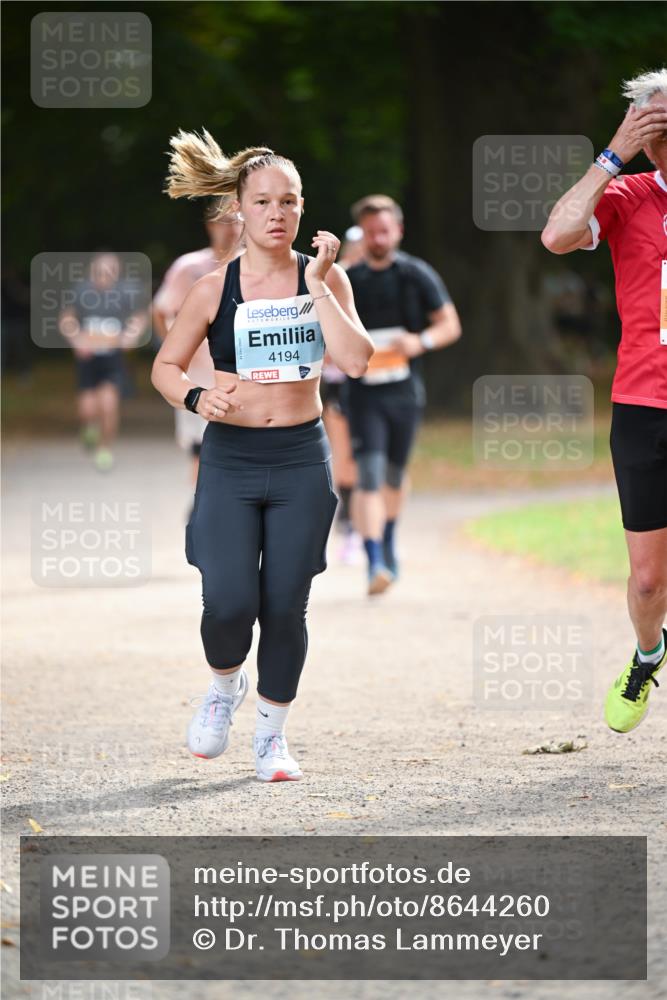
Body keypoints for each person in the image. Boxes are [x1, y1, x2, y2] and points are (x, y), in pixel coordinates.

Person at [151, 130, 373, 781]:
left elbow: (356, 362)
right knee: (226, 603)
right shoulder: (212, 288)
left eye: (290, 202)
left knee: (284, 605)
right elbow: (164, 366)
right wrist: (195, 397)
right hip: (230, 460)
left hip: (302, 458)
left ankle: (272, 739)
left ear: (302, 209)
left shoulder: (324, 280)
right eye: (264, 202)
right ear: (238, 211)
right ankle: (224, 686)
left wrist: (319, 284)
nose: (277, 214)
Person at [541, 68, 667, 732]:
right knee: (648, 583)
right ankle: (649, 654)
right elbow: (556, 236)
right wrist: (611, 151)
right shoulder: (626, 195)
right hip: (643, 404)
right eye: (654, 121)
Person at [344, 195, 462, 594]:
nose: (377, 238)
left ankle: (389, 538)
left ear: (398, 230)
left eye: (384, 230)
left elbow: (450, 325)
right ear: (362, 233)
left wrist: (420, 341)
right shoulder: (348, 278)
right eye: (370, 232)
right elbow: (324, 321)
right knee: (369, 474)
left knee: (395, 475)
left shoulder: (416, 274)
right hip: (362, 395)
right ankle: (374, 557)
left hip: (404, 393)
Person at [153, 202, 244, 488]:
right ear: (210, 226)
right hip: (199, 373)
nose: (229, 229)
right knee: (201, 448)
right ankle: (201, 504)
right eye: (223, 222)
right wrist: (177, 351)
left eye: (235, 221)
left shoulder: (253, 266)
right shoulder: (189, 268)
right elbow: (160, 310)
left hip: (241, 372)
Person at [59, 251, 149, 471]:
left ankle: (105, 449)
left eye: (110, 270)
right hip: (88, 360)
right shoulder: (81, 291)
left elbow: (140, 317)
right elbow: (67, 318)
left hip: (113, 359)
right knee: (88, 410)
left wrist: (132, 334)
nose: (105, 275)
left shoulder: (123, 293)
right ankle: (89, 428)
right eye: (101, 270)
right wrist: (76, 339)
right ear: (93, 271)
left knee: (108, 405)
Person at [321, 225, 365, 562]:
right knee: (345, 455)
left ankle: (375, 528)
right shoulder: (334, 280)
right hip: (338, 382)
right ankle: (349, 528)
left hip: (380, 382)